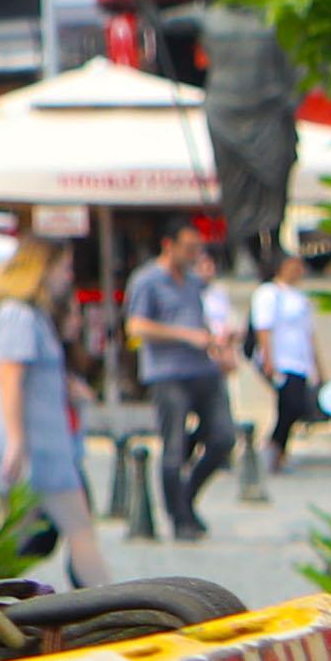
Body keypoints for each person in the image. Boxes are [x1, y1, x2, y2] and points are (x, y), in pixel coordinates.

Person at [0, 237, 113, 587]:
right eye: (62, 267)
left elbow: (30, 376)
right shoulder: (17, 315)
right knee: (78, 532)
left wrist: (66, 386)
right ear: (42, 270)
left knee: (14, 542)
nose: (67, 276)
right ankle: (110, 610)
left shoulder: (31, 315)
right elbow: (9, 378)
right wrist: (17, 441)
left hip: (43, 446)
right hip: (34, 448)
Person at [123, 217, 237, 540]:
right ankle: (180, 518)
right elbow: (136, 327)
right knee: (172, 446)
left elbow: (209, 318)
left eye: (197, 248)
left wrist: (222, 343)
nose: (193, 255)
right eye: (188, 248)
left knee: (223, 437)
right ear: (168, 246)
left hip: (204, 370)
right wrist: (184, 335)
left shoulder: (194, 282)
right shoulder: (147, 281)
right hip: (168, 374)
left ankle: (186, 497)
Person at [256, 243, 327, 469]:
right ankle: (274, 447)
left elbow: (310, 333)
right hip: (282, 359)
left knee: (295, 407)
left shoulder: (299, 297)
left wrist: (318, 364)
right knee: (289, 405)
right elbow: (263, 328)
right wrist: (268, 359)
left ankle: (279, 450)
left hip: (300, 360)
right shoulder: (269, 293)